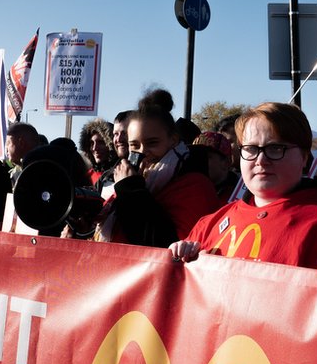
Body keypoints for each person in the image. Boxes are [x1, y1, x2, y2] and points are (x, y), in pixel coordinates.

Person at [170, 102, 317, 272]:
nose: (261, 159)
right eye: (250, 149)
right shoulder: (211, 223)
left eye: (276, 148)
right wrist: (177, 258)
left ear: (304, 157)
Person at [98, 89, 220, 247]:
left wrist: (130, 190)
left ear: (173, 140)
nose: (143, 152)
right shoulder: (134, 180)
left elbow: (167, 245)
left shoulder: (195, 185)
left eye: (152, 143)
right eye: (134, 145)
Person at [192, 131, 239, 204]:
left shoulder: (242, 195)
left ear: (226, 163)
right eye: (195, 156)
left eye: (205, 156)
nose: (198, 161)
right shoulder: (189, 192)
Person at [96, 110, 133, 198]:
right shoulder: (106, 177)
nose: (119, 139)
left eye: (125, 133)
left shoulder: (151, 173)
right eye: (116, 134)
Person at [78, 118, 115, 186]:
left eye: (101, 142)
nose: (95, 148)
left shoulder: (122, 173)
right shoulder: (86, 177)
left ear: (111, 145)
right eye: (91, 143)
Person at [5, 122, 41, 187]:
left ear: (21, 143)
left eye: (8, 143)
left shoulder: (42, 173)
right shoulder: (16, 172)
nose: (6, 148)